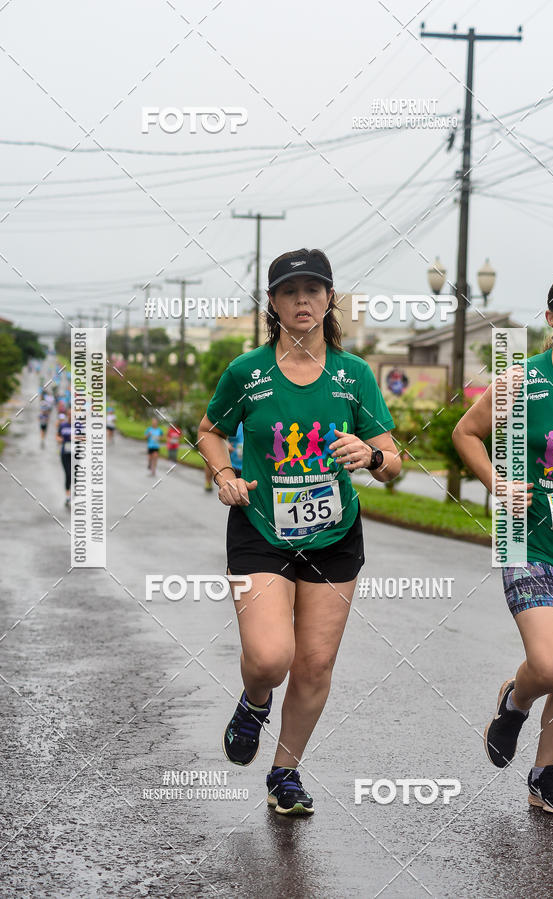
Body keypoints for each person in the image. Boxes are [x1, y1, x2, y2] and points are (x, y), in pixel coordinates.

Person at [198, 248, 401, 815]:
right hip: (260, 528)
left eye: (314, 289)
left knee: (314, 664)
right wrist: (223, 472)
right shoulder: (247, 372)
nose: (303, 300)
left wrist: (371, 455)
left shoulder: (354, 374)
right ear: (274, 303)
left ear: (330, 298)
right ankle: (255, 700)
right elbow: (210, 429)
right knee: (269, 657)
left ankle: (284, 773)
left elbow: (391, 455)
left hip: (335, 535)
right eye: (291, 291)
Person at [452, 270, 553, 817]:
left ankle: (544, 774)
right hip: (530, 540)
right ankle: (514, 704)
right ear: (551, 317)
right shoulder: (524, 380)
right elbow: (465, 433)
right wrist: (498, 483)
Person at [56, 408, 72, 507]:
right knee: (67, 474)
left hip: (76, 453)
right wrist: (60, 440)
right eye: (70, 414)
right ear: (67, 415)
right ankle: (67, 496)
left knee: (74, 475)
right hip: (65, 452)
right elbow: (57, 436)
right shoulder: (63, 425)